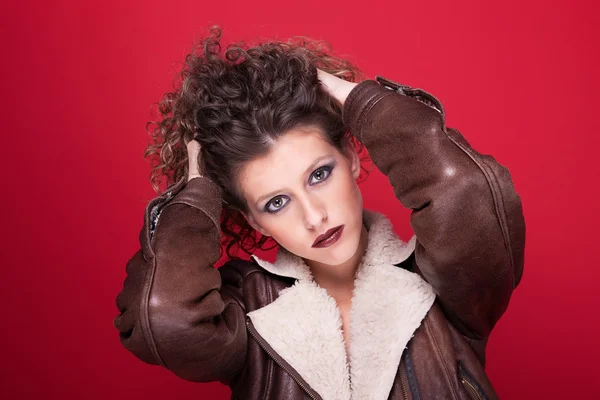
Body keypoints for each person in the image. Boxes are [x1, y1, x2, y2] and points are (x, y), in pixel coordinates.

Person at [113, 26, 526, 400]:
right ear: (254, 220)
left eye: (319, 174)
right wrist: (197, 191)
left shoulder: (449, 286)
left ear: (350, 159)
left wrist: (362, 102)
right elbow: (162, 319)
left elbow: (468, 194)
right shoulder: (245, 311)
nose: (314, 217)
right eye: (277, 202)